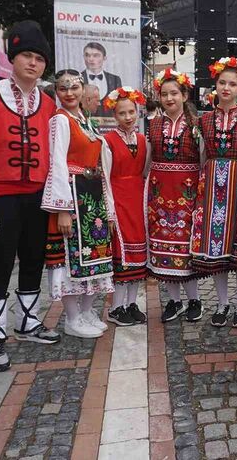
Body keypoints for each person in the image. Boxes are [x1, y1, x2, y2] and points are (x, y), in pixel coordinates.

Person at [0, 20, 60, 373]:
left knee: (34, 258)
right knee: (0, 262)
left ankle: (27, 322)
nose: (33, 63)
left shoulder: (50, 103)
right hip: (1, 194)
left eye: (39, 58)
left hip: (38, 194)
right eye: (27, 55)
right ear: (13, 58)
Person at [41, 70, 116, 338]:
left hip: (92, 194)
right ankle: (72, 318)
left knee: (95, 258)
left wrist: (107, 206)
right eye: (63, 88)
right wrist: (63, 208)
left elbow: (100, 162)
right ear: (57, 92)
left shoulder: (85, 120)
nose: (70, 93)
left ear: (83, 88)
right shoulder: (60, 120)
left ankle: (86, 313)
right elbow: (57, 163)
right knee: (71, 260)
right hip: (73, 194)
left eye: (74, 87)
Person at [191, 57, 237, 328]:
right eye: (222, 83)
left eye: (233, 84)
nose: (226, 88)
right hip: (213, 189)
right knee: (215, 249)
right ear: (215, 85)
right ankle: (222, 303)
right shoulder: (204, 121)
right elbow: (202, 155)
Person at [148, 68, 203, 322]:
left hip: (187, 192)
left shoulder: (196, 124)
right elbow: (148, 161)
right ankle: (174, 300)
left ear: (184, 94)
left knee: (186, 247)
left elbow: (203, 160)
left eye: (174, 93)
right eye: (164, 94)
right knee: (164, 249)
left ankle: (195, 300)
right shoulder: (154, 124)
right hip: (160, 193)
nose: (169, 98)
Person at [103, 87, 149, 326]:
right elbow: (106, 176)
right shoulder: (108, 141)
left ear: (138, 112)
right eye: (122, 113)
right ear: (114, 115)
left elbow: (144, 171)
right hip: (119, 199)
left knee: (137, 254)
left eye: (131, 111)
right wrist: (109, 210)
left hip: (137, 200)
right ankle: (116, 306)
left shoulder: (142, 140)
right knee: (122, 254)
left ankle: (132, 303)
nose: (128, 117)